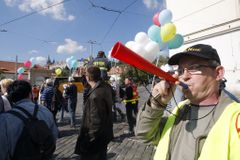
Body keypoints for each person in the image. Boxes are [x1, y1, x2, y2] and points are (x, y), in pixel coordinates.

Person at [135, 44, 240, 160]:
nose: (184, 76)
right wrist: (156, 105)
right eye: (180, 70)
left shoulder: (235, 118)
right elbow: (145, 136)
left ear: (218, 73)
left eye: (194, 67)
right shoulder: (180, 108)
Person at [0, 80, 58, 160]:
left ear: (11, 97)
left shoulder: (4, 119)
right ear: (30, 94)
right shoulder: (45, 111)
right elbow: (53, 136)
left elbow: (3, 150)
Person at [74, 66, 113, 160]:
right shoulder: (106, 86)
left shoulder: (95, 95)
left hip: (95, 139)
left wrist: (88, 141)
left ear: (88, 77)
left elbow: (96, 123)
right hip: (104, 134)